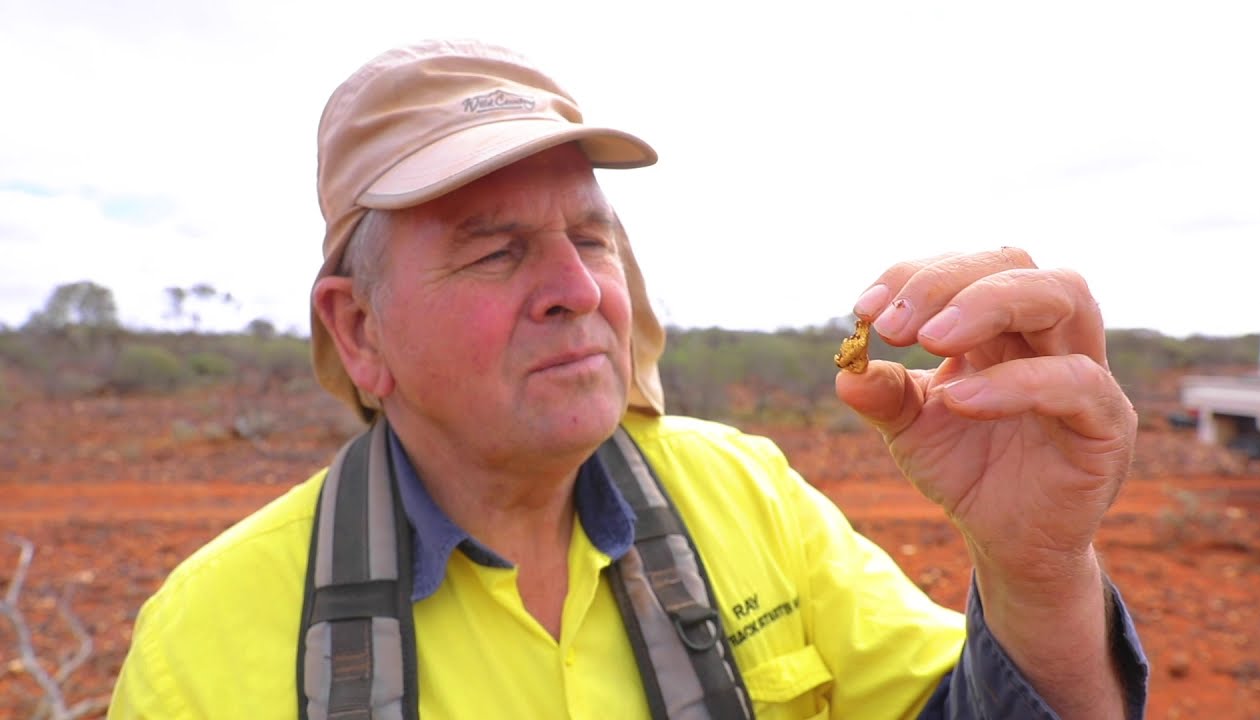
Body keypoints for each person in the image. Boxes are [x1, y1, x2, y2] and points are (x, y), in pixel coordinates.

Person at [108, 38, 1148, 719]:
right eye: (495, 251)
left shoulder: (745, 492)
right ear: (358, 328)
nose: (577, 289)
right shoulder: (207, 641)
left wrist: (1036, 570)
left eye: (591, 238)